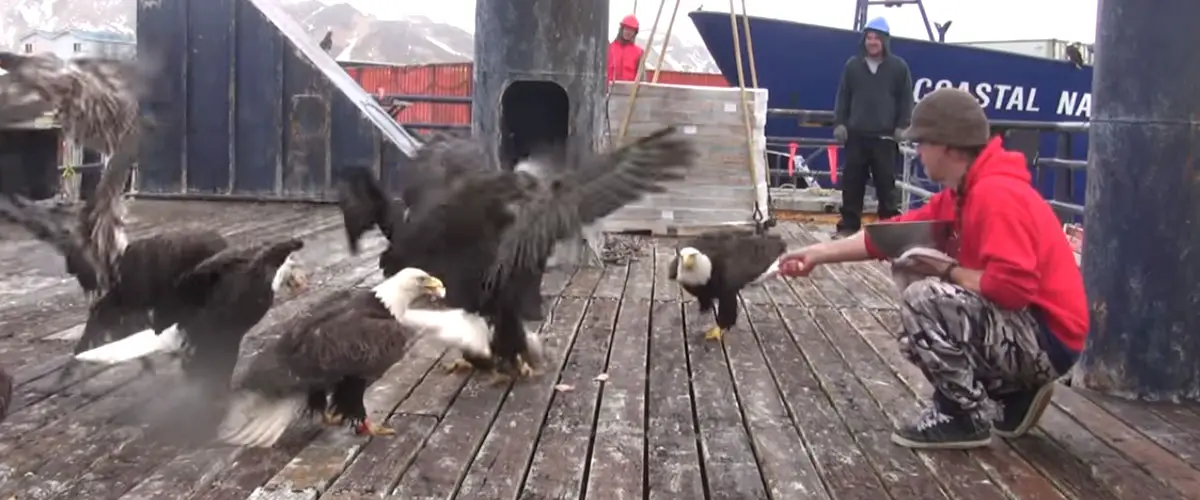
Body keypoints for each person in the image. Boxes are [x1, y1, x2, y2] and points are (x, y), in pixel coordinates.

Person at [778, 88, 1088, 450]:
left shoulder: (996, 195)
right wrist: (817, 253)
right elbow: (890, 237)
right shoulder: (965, 193)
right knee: (916, 338)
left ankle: (962, 417)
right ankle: (1014, 395)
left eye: (923, 142)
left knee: (923, 300)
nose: (917, 151)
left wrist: (947, 271)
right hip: (1038, 333)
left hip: (1049, 339)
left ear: (950, 147)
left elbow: (1012, 289)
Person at [832, 16, 913, 238]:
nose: (872, 42)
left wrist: (902, 126)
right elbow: (843, 97)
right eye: (869, 37)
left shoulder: (899, 67)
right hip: (856, 135)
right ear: (864, 40)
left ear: (885, 41)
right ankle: (848, 226)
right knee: (852, 183)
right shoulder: (852, 66)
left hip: (885, 137)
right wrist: (839, 123)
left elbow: (906, 100)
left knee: (886, 184)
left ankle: (888, 228)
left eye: (877, 38)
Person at [607, 15, 645, 82]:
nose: (629, 32)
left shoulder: (639, 52)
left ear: (635, 33)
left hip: (630, 91)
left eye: (632, 30)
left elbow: (642, 78)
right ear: (621, 29)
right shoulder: (609, 49)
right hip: (609, 90)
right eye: (627, 28)